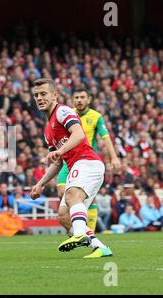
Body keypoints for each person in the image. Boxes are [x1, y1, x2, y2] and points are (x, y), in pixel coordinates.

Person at [29, 78, 112, 258]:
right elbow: (58, 162)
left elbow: (79, 134)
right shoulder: (47, 132)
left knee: (72, 194)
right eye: (36, 95)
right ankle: (100, 247)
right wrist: (40, 184)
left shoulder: (63, 111)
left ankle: (79, 234)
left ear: (54, 95)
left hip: (87, 161)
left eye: (43, 94)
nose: (39, 98)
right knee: (63, 215)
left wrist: (60, 150)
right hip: (80, 165)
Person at [56, 88, 121, 232]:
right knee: (62, 192)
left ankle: (87, 231)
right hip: (68, 161)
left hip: (86, 161)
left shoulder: (96, 117)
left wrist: (114, 157)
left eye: (82, 97)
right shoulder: (68, 115)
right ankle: (79, 231)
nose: (79, 100)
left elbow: (106, 137)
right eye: (76, 97)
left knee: (86, 196)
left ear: (89, 99)